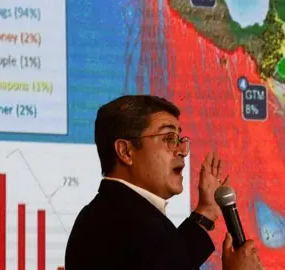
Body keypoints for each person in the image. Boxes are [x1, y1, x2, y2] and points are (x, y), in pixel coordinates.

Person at [64, 95, 263, 270]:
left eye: (179, 139)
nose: (183, 151)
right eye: (168, 138)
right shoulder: (129, 225)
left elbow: (168, 259)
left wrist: (207, 211)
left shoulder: (111, 214)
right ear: (126, 152)